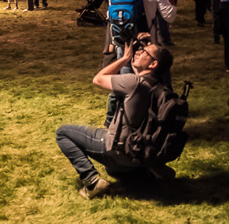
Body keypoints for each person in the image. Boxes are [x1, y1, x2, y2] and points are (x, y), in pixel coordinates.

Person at [55, 41, 175, 198]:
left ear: (153, 64)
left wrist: (125, 58)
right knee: (111, 170)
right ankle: (147, 173)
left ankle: (92, 181)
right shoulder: (160, 88)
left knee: (63, 133)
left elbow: (98, 79)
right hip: (141, 154)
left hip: (118, 150)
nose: (138, 52)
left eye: (144, 52)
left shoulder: (135, 83)